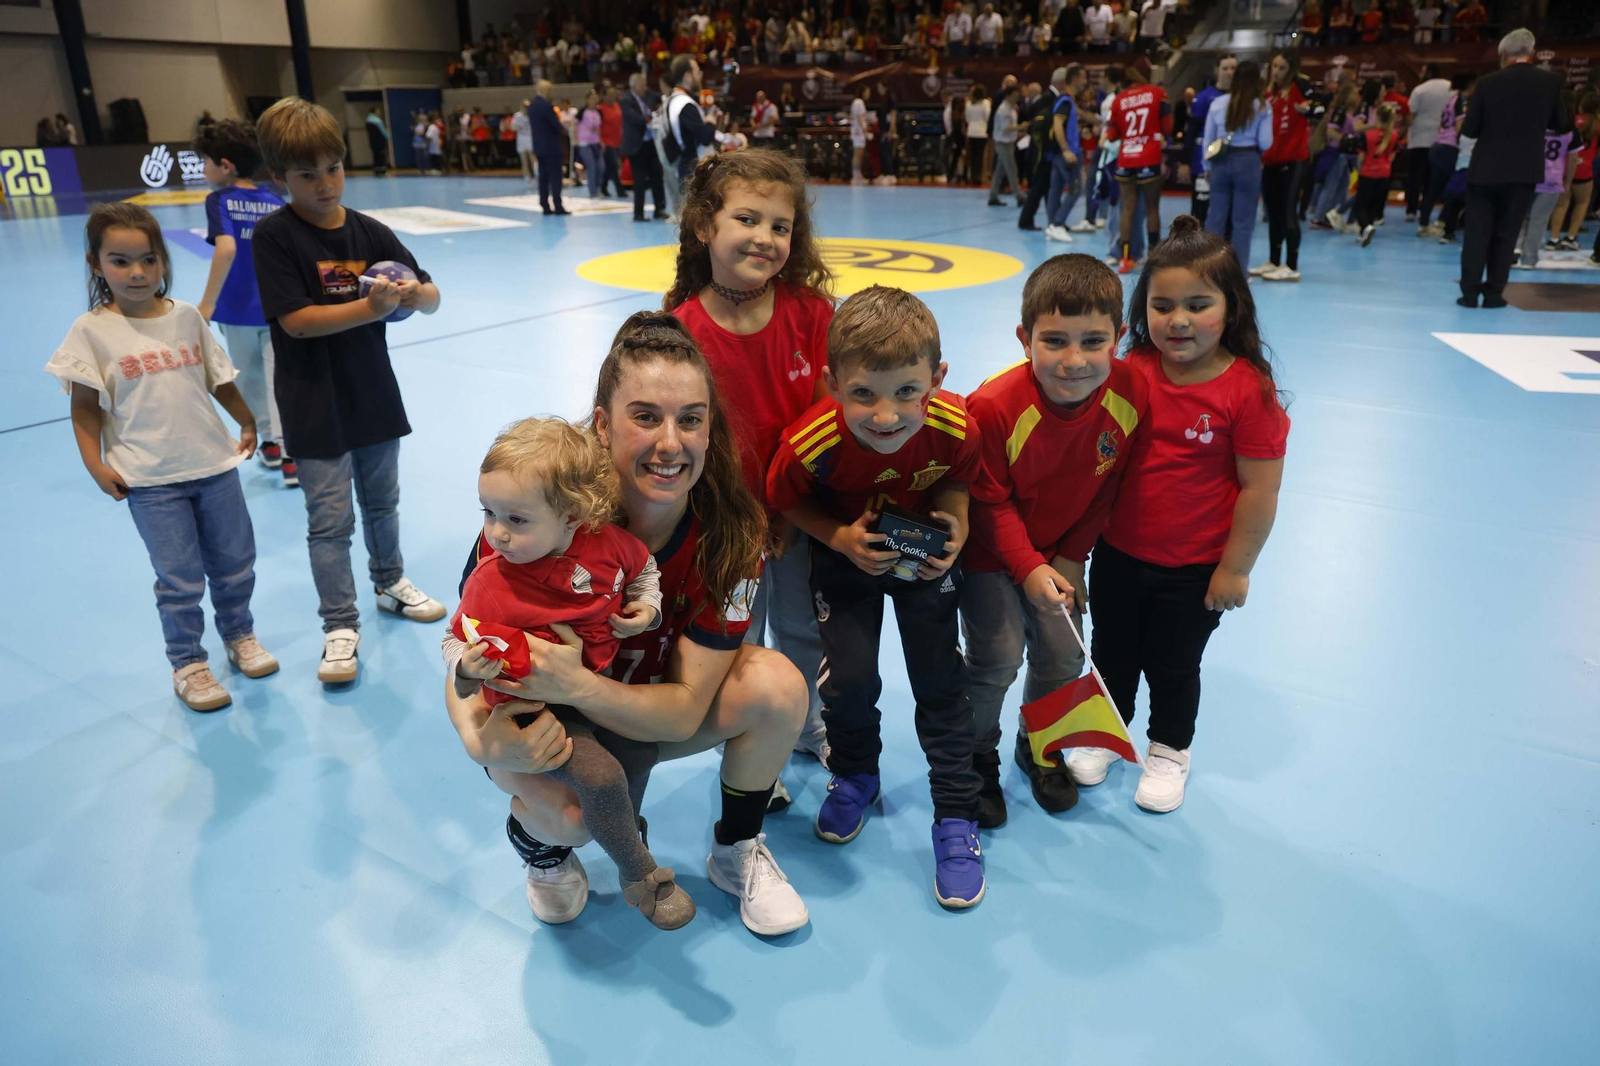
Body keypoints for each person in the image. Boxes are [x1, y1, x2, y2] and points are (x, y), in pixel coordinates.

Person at [446, 313, 810, 935]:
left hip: (643, 712)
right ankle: (542, 848)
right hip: (543, 722)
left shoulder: (732, 533)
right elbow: (459, 641)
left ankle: (736, 848)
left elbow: (686, 711)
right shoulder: (536, 516)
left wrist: (580, 686)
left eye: (690, 419)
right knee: (571, 817)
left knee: (777, 687)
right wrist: (478, 740)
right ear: (601, 425)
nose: (671, 442)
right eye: (645, 416)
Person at [765, 286, 987, 909]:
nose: (886, 415)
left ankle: (956, 817)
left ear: (938, 379)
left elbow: (958, 479)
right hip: (845, 566)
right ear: (833, 382)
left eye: (907, 392)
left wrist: (956, 524)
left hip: (923, 569)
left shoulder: (955, 424)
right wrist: (839, 537)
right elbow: (785, 499)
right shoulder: (810, 443)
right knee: (850, 681)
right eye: (863, 393)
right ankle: (857, 774)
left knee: (943, 684)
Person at [449, 418, 698, 929]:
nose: (495, 533)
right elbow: (455, 636)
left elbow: (644, 567)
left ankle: (625, 829)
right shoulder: (491, 580)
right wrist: (465, 667)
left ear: (573, 516)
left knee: (637, 751)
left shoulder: (605, 544)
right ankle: (639, 875)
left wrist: (645, 608)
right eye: (488, 513)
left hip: (588, 692)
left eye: (516, 519)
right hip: (528, 710)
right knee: (600, 778)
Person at [1091, 215, 1289, 812]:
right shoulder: (1131, 373)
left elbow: (1260, 490)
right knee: (1111, 650)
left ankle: (1170, 749)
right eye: (1162, 305)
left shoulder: (1246, 391)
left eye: (1198, 304)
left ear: (1231, 308)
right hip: (1119, 553)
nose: (1177, 320)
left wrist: (1235, 569)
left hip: (1194, 567)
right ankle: (1104, 731)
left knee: (1174, 664)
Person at [47, 203, 275, 712]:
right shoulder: (91, 331)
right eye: (120, 261)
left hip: (214, 467)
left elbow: (218, 378)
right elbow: (84, 408)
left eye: (148, 260)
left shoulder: (187, 318)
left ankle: (240, 635)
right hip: (149, 480)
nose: (137, 272)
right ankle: (189, 663)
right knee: (179, 579)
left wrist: (245, 419)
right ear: (95, 263)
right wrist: (94, 463)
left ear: (163, 262)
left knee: (236, 564)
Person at [250, 96, 446, 683]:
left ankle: (389, 582)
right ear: (278, 179)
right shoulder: (275, 237)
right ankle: (339, 623)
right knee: (329, 520)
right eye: (307, 175)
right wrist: (371, 306)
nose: (324, 183)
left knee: (383, 502)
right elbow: (297, 321)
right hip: (313, 402)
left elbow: (432, 295)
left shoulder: (371, 230)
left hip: (373, 394)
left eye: (332, 168)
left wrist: (413, 296)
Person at [962, 254, 1148, 822]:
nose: (1075, 360)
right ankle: (974, 757)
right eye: (1055, 341)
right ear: (1024, 339)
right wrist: (1028, 566)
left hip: (1062, 556)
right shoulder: (993, 408)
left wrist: (1070, 558)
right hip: (992, 557)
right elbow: (988, 502)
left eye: (1093, 341)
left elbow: (1108, 487)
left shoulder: (1130, 391)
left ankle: (1040, 745)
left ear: (1118, 337)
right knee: (995, 659)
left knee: (1063, 657)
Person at [666, 150, 836, 765]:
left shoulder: (812, 315)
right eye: (748, 219)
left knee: (804, 628)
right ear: (705, 227)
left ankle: (807, 727)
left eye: (780, 226)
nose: (765, 237)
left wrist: (792, 512)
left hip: (800, 519)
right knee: (738, 639)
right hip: (724, 528)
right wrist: (737, 523)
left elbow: (826, 427)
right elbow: (678, 447)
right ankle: (751, 742)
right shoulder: (679, 331)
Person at [192, 119, 294, 489]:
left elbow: (228, 247)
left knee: (248, 376)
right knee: (276, 379)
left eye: (206, 162)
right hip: (276, 307)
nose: (203, 170)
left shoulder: (218, 200)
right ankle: (288, 456)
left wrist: (206, 304)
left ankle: (267, 439)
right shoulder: (273, 200)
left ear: (225, 165)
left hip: (235, 310)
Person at [1458, 28, 1565, 308]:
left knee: (1477, 233)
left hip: (1486, 169)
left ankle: (1469, 294)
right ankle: (1494, 294)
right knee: (1507, 234)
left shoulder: (1487, 83)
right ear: (1531, 52)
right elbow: (1560, 124)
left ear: (1504, 55)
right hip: (1524, 170)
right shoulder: (1551, 82)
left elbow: (1470, 129)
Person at [1201, 59, 1273, 274]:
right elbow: (1266, 142)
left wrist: (1207, 166)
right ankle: (1238, 272)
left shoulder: (1218, 103)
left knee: (1215, 217)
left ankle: (1208, 269)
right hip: (1248, 161)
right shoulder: (1262, 106)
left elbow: (1208, 140)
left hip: (1221, 161)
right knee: (1243, 221)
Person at [1108, 65, 1172, 274]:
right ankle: (1154, 259)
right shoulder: (1157, 93)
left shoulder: (1119, 100)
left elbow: (1111, 135)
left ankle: (1125, 259)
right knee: (1152, 208)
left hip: (1127, 156)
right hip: (1149, 155)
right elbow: (1168, 126)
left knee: (1128, 207)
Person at [1258, 52, 1313, 282]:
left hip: (1293, 160)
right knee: (1274, 213)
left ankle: (1291, 265)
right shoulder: (1268, 92)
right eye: (1275, 66)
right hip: (1270, 160)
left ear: (1290, 69)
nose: (1277, 71)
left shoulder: (1299, 86)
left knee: (1289, 211)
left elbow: (1319, 105)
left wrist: (1308, 108)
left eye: (1282, 67)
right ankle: (1273, 260)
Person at [1517, 121, 1581, 269]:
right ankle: (1529, 259)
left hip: (1528, 175)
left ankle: (1514, 250)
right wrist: (1568, 181)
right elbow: (1573, 158)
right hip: (1552, 179)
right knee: (1538, 221)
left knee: (1520, 217)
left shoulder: (1535, 122)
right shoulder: (1571, 130)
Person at [1417, 73, 1473, 235]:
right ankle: (1444, 223)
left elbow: (1441, 126)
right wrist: (1466, 145)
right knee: (1454, 189)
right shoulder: (1462, 100)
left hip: (1438, 146)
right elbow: (1460, 127)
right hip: (1450, 148)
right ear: (1469, 85)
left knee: (1434, 188)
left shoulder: (1451, 100)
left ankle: (1424, 224)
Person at [1188, 55, 1237, 225]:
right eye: (1225, 68)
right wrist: (1186, 162)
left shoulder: (1243, 99)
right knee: (1200, 210)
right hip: (1205, 162)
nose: (1229, 72)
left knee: (1230, 212)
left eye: (1233, 68)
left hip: (1232, 163)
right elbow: (1192, 131)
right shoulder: (1203, 98)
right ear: (1217, 71)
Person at [1546, 93, 1597, 252]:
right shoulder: (1597, 124)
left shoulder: (1570, 121)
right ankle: (1571, 238)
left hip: (1564, 167)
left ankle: (1553, 239)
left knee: (1561, 204)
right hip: (1585, 170)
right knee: (1582, 203)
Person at [1046, 65, 1089, 244]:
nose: (1086, 81)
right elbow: (1057, 124)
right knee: (1075, 189)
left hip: (1060, 153)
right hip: (1067, 154)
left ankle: (1053, 225)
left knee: (1055, 189)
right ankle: (1057, 224)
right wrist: (1066, 150)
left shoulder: (1069, 100)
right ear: (1075, 78)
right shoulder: (1065, 100)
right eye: (1083, 77)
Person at [666, 54, 718, 188]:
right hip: (693, 171)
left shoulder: (674, 99)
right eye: (697, 72)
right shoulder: (685, 104)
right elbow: (705, 138)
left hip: (686, 167)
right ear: (687, 76)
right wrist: (712, 119)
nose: (700, 76)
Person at [621, 73, 666, 222]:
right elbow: (634, 118)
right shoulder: (626, 100)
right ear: (634, 86)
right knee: (639, 180)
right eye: (642, 85)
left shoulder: (649, 94)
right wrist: (652, 118)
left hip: (650, 143)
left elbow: (661, 97)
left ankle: (659, 210)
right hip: (636, 145)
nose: (645, 87)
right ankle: (638, 213)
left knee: (657, 177)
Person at [1353, 102, 1400, 247]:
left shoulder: (1367, 135)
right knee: (1374, 205)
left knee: (1360, 205)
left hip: (1368, 173)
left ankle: (1366, 227)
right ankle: (1366, 232)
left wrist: (1360, 170)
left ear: (1376, 116)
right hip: (1384, 174)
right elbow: (1392, 156)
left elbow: (1361, 157)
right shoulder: (1394, 135)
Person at [527, 81, 569, 215]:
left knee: (543, 177)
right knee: (556, 177)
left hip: (539, 146)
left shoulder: (532, 106)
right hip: (551, 147)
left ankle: (544, 204)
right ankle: (558, 205)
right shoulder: (546, 106)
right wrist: (564, 129)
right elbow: (555, 126)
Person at [989, 84, 1025, 207]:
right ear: (1008, 96)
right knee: (1012, 169)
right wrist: (1020, 127)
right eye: (1014, 96)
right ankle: (1019, 196)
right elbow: (1006, 128)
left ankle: (993, 195)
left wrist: (1019, 132)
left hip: (1009, 142)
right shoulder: (1003, 109)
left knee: (1000, 171)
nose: (1016, 99)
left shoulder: (1011, 108)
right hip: (1003, 143)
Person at [575, 90, 605, 198]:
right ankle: (593, 192)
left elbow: (598, 128)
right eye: (592, 99)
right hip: (585, 143)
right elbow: (574, 125)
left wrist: (601, 141)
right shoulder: (582, 112)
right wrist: (575, 139)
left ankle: (599, 187)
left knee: (601, 167)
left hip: (595, 143)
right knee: (591, 166)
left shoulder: (598, 112)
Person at [599, 85, 624, 197]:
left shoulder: (617, 106)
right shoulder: (600, 109)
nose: (612, 97)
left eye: (613, 94)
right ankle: (620, 190)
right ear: (603, 96)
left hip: (617, 140)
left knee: (610, 167)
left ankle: (603, 187)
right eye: (609, 94)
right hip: (607, 141)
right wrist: (601, 141)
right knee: (613, 165)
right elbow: (598, 126)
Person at [965, 84, 992, 188]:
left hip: (971, 131)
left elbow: (967, 118)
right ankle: (979, 177)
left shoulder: (969, 104)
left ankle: (972, 175)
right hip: (982, 132)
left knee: (972, 156)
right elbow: (987, 116)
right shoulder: (985, 103)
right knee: (980, 156)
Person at [850, 90, 871, 184]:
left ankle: (857, 174)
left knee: (859, 153)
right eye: (867, 92)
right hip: (858, 132)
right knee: (858, 153)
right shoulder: (859, 102)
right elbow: (859, 117)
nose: (868, 94)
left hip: (857, 131)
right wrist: (864, 131)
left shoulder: (856, 102)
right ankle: (855, 175)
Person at [364, 108, 389, 176]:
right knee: (381, 155)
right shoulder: (377, 121)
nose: (379, 112)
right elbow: (383, 131)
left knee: (375, 156)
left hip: (372, 142)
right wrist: (387, 137)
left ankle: (377, 169)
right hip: (380, 141)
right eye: (378, 111)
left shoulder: (368, 120)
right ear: (374, 112)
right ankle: (382, 169)